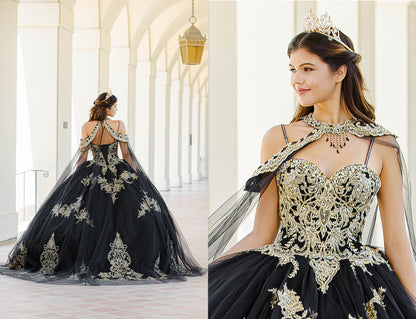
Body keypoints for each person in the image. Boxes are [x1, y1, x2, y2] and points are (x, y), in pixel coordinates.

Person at [208, 11, 416, 318]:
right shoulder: (279, 138)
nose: (296, 79)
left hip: (359, 288)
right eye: (292, 69)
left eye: (307, 68)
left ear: (339, 72)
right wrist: (210, 275)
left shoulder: (382, 145)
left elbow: (397, 241)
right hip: (284, 283)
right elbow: (263, 232)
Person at [0, 91, 203, 284]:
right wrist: (136, 175)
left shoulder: (87, 127)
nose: (116, 109)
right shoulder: (119, 125)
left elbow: (82, 156)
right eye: (115, 106)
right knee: (130, 215)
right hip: (118, 171)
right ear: (108, 108)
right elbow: (126, 155)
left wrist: (75, 180)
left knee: (86, 215)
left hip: (92, 171)